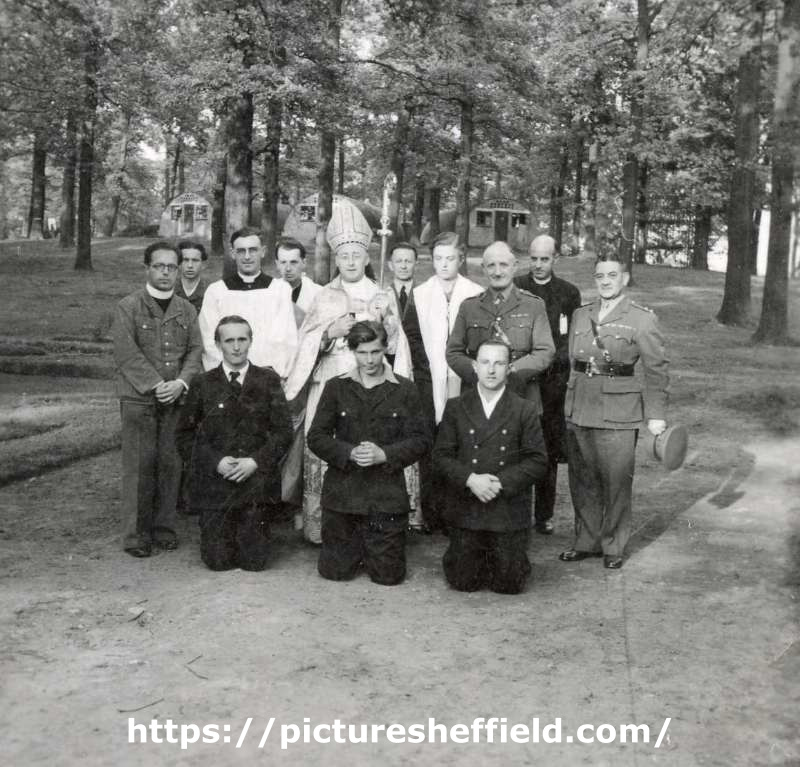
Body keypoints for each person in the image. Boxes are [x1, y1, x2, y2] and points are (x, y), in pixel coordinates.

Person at [283, 201, 413, 544]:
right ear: (335, 259)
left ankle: (371, 522)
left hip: (373, 386)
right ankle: (323, 527)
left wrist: (387, 322)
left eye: (357, 255)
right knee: (333, 448)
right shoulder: (324, 297)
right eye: (344, 256)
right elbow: (305, 343)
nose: (351, 262)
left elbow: (398, 349)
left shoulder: (382, 295)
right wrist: (329, 333)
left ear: (368, 258)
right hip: (331, 383)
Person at [559, 253, 669, 569]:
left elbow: (656, 368)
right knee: (582, 478)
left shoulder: (641, 318)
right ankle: (586, 541)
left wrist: (656, 414)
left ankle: (613, 545)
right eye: (600, 276)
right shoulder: (581, 315)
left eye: (612, 275)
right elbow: (572, 362)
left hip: (619, 410)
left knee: (616, 480)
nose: (605, 281)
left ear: (624, 278)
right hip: (581, 405)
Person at [306, 321, 430, 585]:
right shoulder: (335, 387)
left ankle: (373, 549)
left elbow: (421, 440)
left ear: (385, 348)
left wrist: (385, 455)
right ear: (352, 351)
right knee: (335, 573)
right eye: (362, 352)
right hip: (343, 498)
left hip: (385, 499)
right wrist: (349, 452)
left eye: (375, 351)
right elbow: (316, 437)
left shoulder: (405, 389)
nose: (369, 359)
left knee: (388, 577)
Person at [175, 316, 292, 571]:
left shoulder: (268, 380)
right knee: (218, 562)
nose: (236, 347)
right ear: (218, 344)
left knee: (254, 563)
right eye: (229, 341)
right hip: (216, 488)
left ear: (251, 341)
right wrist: (215, 462)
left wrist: (256, 462)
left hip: (255, 487)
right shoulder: (202, 384)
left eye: (242, 339)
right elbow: (183, 435)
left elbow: (284, 432)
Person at [433, 339, 547, 594]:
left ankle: (510, 555)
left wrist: (500, 483)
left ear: (509, 368)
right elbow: (440, 456)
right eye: (485, 362)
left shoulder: (524, 409)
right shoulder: (456, 407)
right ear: (474, 366)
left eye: (499, 363)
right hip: (467, 507)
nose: (491, 370)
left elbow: (538, 461)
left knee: (509, 585)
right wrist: (470, 479)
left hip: (505, 508)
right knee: (463, 582)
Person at [112, 241, 203, 557]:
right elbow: (126, 353)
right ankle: (136, 535)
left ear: (178, 271)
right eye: (159, 266)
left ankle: (164, 528)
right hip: (139, 400)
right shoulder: (129, 306)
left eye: (171, 267)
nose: (165, 272)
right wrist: (156, 385)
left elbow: (195, 351)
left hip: (176, 398)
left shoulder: (186, 309)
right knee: (139, 466)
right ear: (147, 268)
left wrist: (180, 382)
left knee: (169, 464)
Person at [410, 231, 483, 531]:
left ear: (461, 259)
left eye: (450, 258)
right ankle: (432, 514)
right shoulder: (420, 294)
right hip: (429, 380)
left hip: (464, 380)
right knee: (431, 444)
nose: (443, 264)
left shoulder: (475, 292)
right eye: (438, 258)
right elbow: (414, 339)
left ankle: (459, 514)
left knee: (461, 444)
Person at [513, 234, 582, 535]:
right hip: (520, 381)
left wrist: (554, 362)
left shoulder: (568, 293)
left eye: (545, 259)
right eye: (534, 258)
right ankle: (515, 511)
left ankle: (544, 514)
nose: (539, 265)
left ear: (556, 259)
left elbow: (572, 338)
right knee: (516, 446)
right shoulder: (517, 286)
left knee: (548, 451)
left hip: (553, 384)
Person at [446, 240, 555, 416]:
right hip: (476, 398)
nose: (497, 272)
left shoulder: (533, 306)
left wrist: (510, 373)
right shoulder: (469, 307)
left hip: (521, 397)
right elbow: (453, 352)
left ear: (515, 267)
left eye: (503, 265)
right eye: (491, 266)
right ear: (483, 268)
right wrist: (480, 373)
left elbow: (545, 351)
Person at [198, 227, 297, 377]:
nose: (247, 256)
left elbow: (286, 337)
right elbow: (209, 338)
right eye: (241, 251)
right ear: (232, 254)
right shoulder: (216, 291)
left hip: (268, 375)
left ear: (263, 252)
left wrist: (275, 372)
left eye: (253, 250)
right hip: (229, 377)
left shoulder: (280, 290)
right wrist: (227, 372)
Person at [274, 236, 323, 322]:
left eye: (293, 262)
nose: (288, 268)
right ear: (277, 264)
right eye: (283, 262)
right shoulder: (269, 292)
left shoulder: (318, 294)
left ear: (304, 263)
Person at [174, 240, 210, 312]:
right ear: (178, 263)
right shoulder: (169, 290)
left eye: (195, 260)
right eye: (185, 260)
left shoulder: (210, 291)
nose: (190, 265)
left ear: (203, 264)